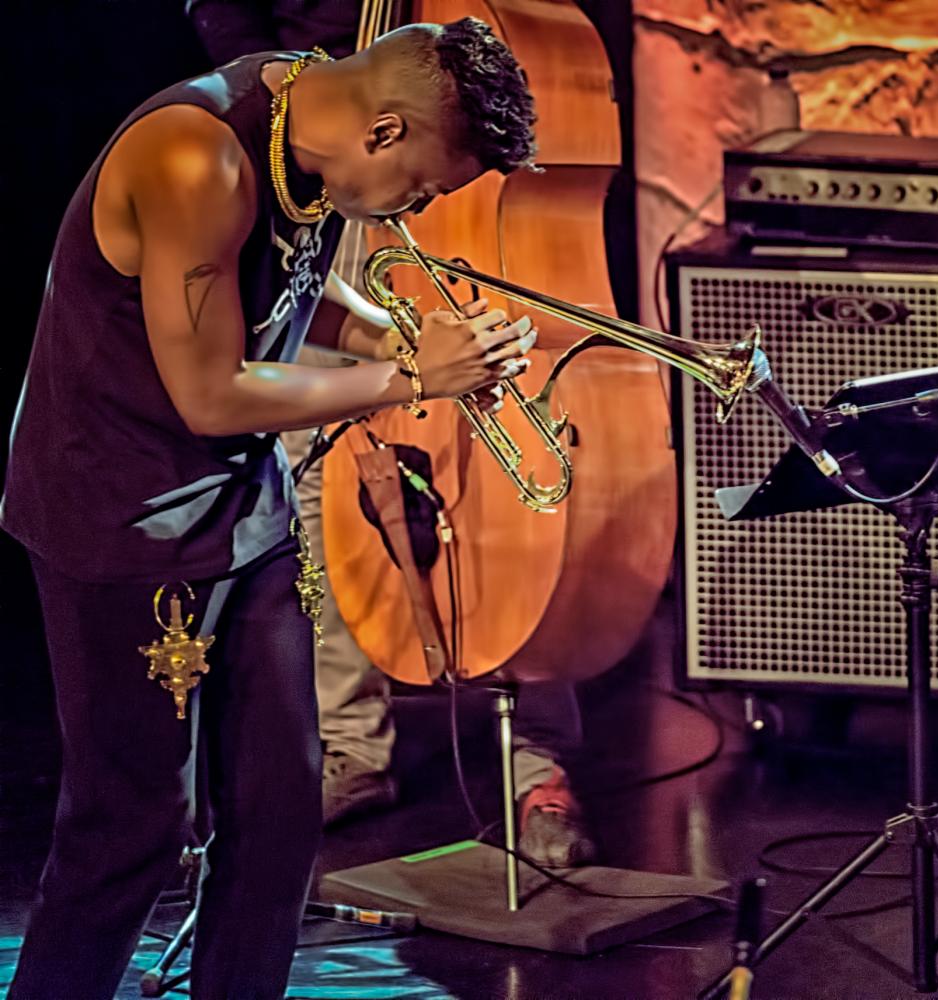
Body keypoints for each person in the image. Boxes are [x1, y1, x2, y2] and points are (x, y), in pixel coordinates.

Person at [2, 19, 536, 998]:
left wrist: (405, 331)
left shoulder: (309, 111)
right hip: (122, 516)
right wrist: (412, 372)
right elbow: (209, 390)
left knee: (279, 812)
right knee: (129, 830)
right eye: (422, 186)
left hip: (240, 503)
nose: (414, 211)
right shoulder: (194, 158)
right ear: (383, 133)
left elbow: (293, 283)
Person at [184, 1, 598, 862]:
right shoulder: (207, 149)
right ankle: (350, 743)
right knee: (313, 465)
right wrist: (321, 89)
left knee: (521, 477)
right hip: (327, 139)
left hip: (423, 128)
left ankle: (537, 756)